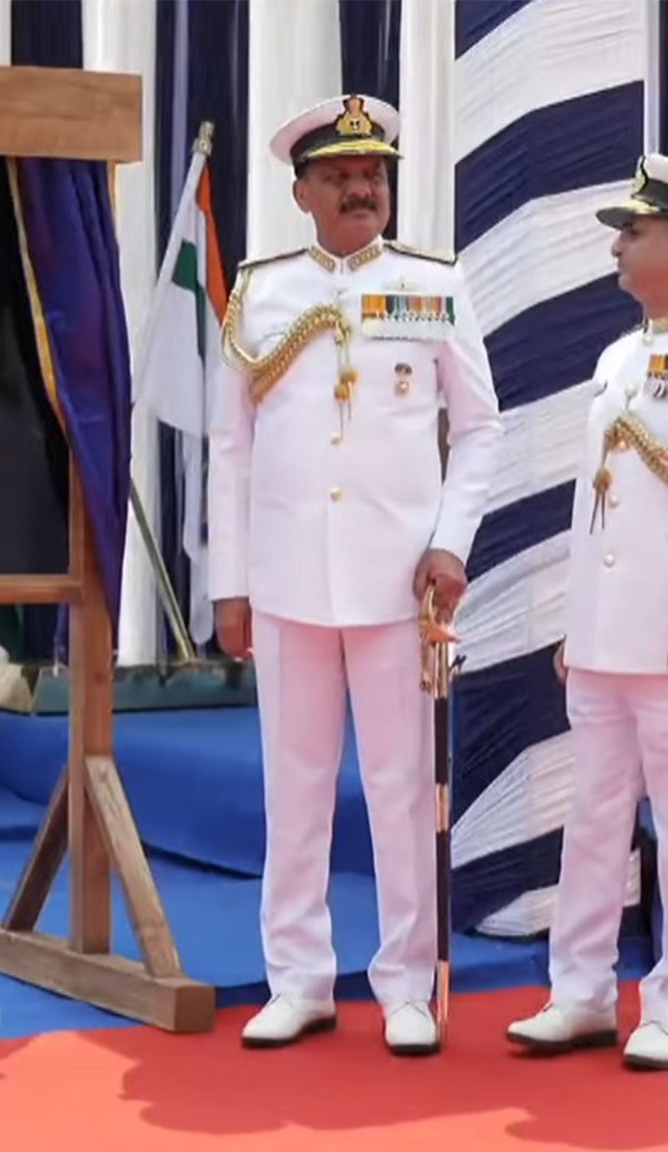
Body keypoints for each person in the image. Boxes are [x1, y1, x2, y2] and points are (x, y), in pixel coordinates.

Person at [208, 94, 503, 1055]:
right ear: (302, 192)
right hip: (291, 577)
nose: (361, 189)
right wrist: (231, 582)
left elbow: (484, 426)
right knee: (292, 789)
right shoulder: (263, 292)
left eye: (372, 175)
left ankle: (406, 984)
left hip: (398, 583)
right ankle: (299, 978)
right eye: (339, 177)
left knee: (399, 787)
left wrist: (452, 538)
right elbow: (231, 448)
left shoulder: (434, 285)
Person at [504, 154, 668, 1071]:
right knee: (594, 822)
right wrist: (579, 620)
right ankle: (582, 992)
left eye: (635, 230)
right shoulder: (614, 358)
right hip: (608, 638)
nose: (617, 243)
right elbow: (594, 506)